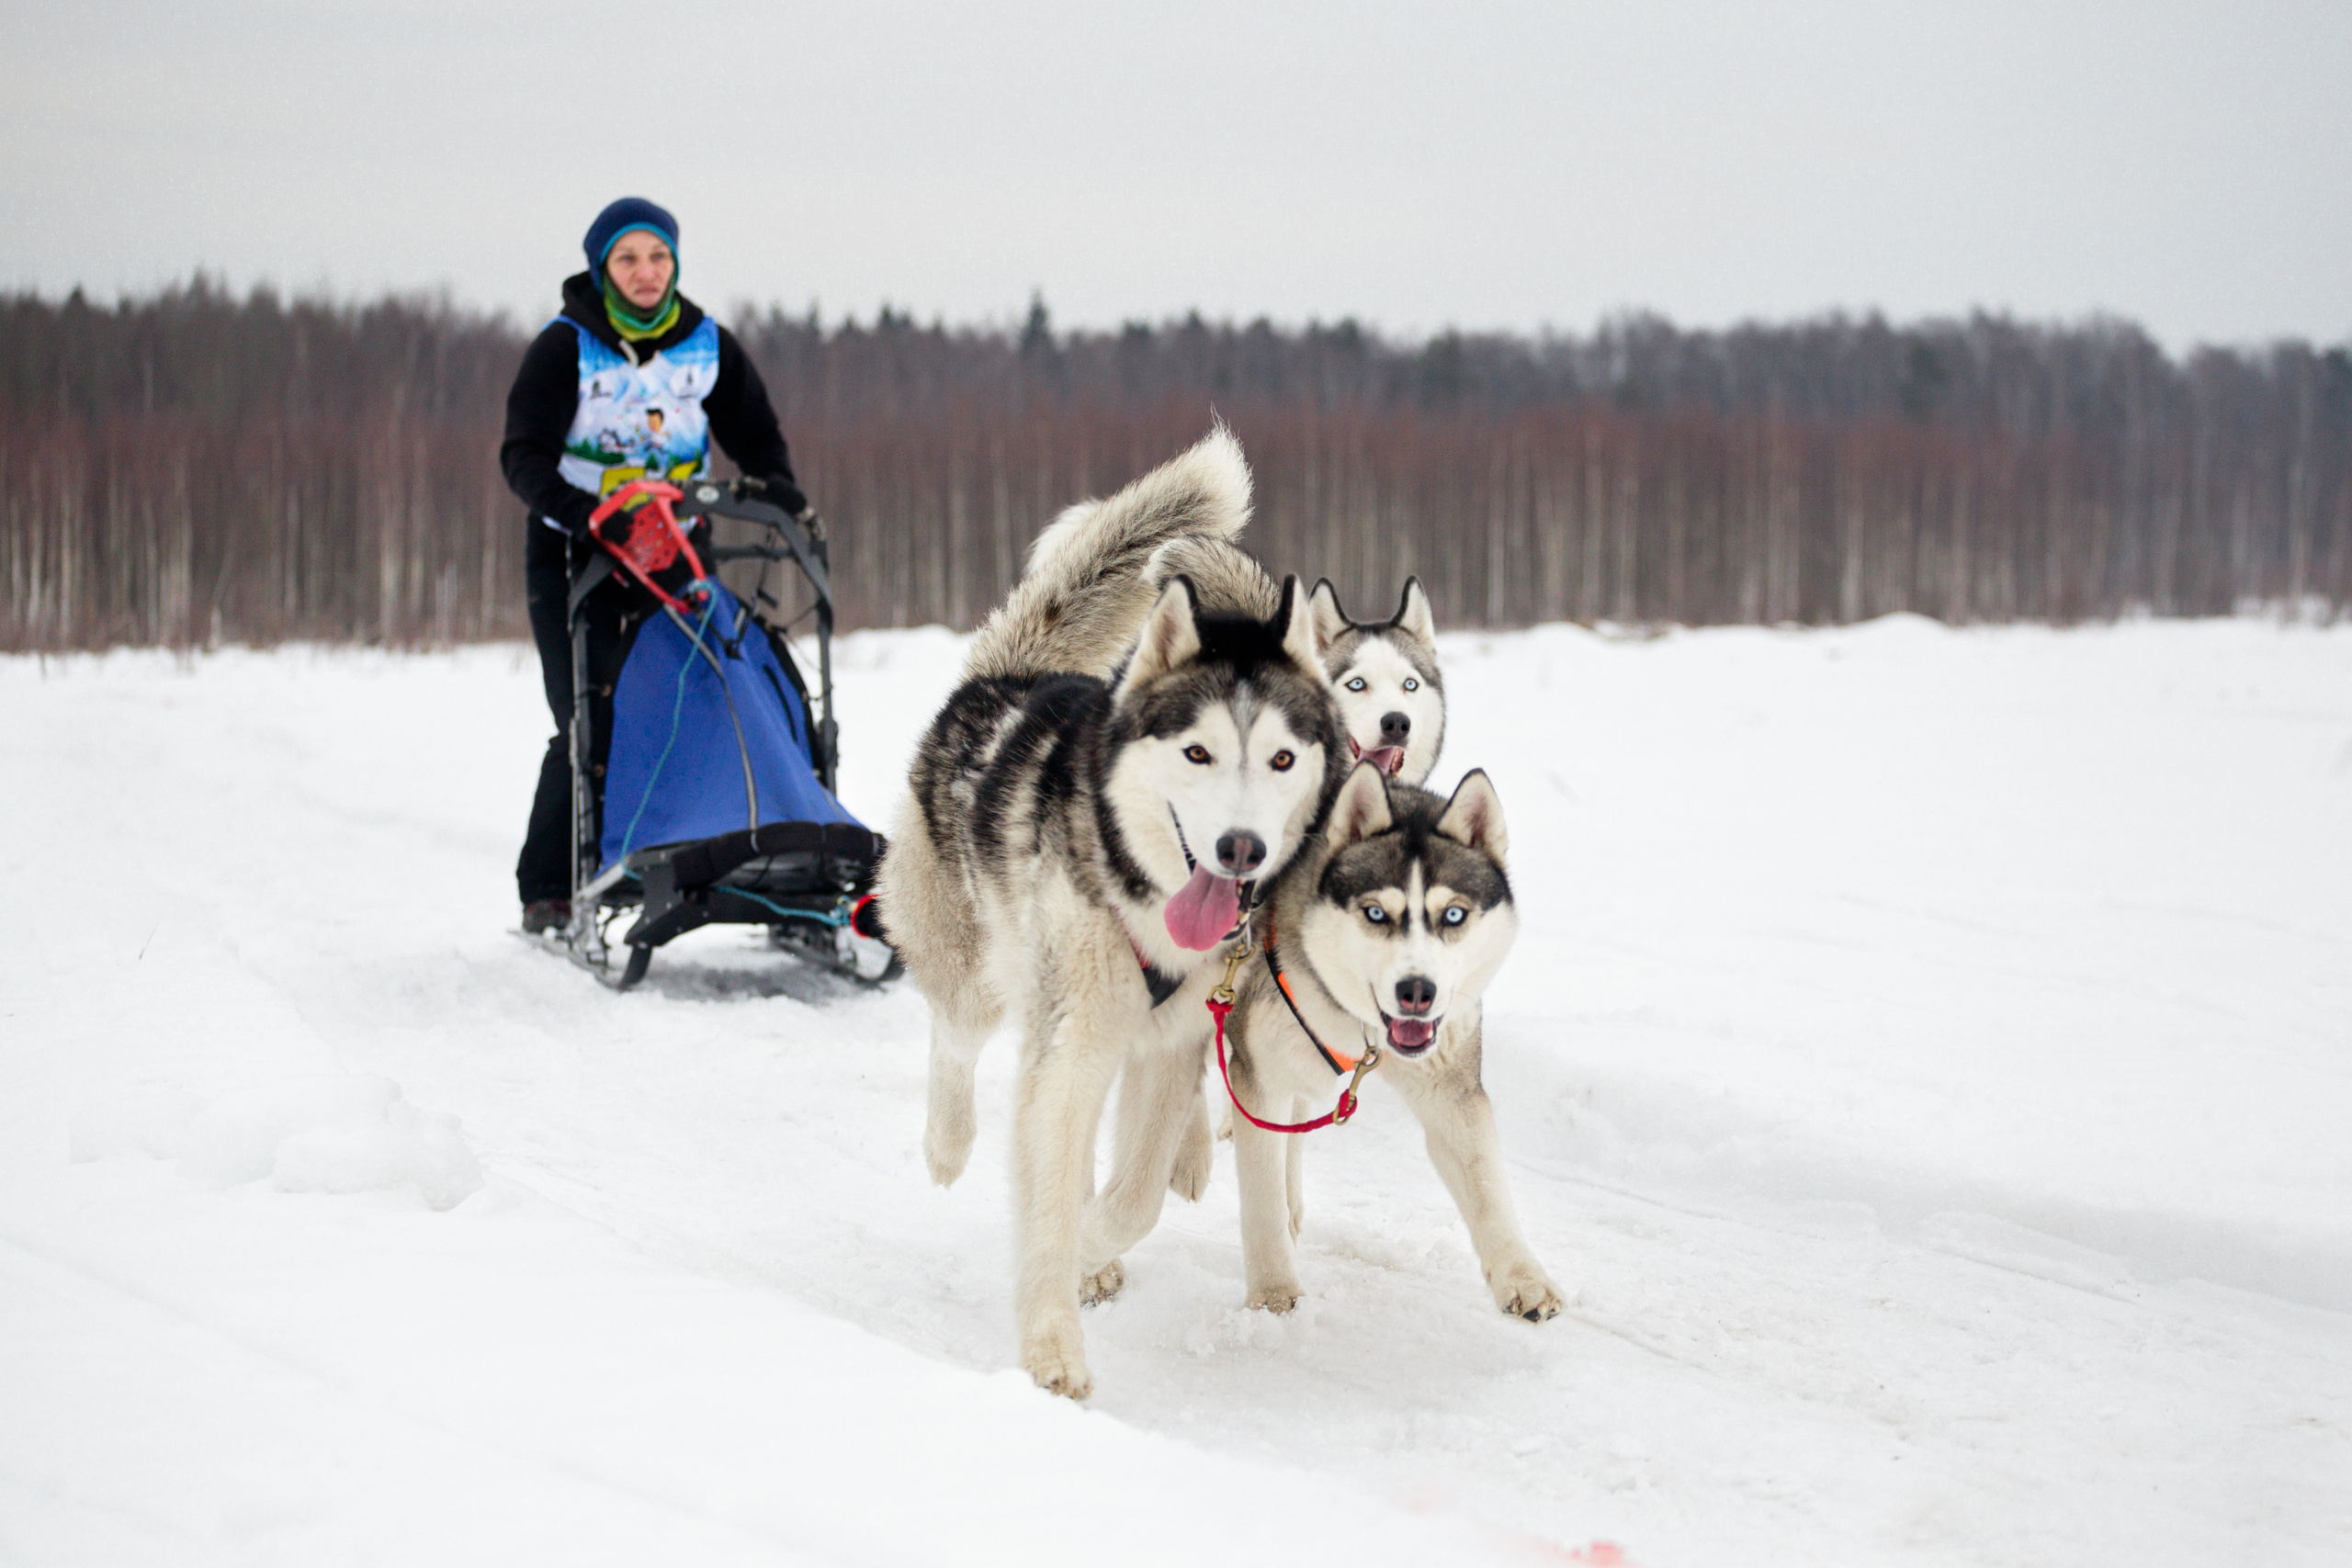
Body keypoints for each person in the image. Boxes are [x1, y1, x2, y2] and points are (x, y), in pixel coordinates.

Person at [501, 197, 809, 933]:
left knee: (718, 692)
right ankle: (551, 884)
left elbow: (759, 440)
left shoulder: (707, 345)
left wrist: (781, 497)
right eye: (628, 259)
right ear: (602, 268)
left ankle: (723, 850)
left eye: (659, 257)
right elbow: (522, 455)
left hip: (675, 549)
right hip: (575, 549)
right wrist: (579, 513)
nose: (646, 272)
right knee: (591, 714)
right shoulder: (566, 346)